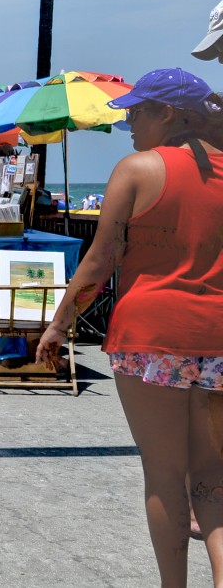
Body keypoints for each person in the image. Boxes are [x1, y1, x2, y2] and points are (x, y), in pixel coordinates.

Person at [36, 67, 223, 587]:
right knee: (213, 478)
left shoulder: (137, 170)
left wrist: (59, 324)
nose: (130, 123)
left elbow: (100, 260)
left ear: (167, 114)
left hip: (152, 338)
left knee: (165, 476)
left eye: (137, 113)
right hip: (220, 340)